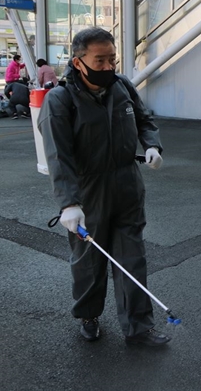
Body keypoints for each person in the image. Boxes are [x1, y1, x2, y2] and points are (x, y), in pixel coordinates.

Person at [38, 27, 170, 346]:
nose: (109, 67)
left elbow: (144, 119)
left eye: (113, 59)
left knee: (132, 258)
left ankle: (139, 326)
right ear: (78, 61)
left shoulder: (121, 86)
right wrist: (69, 203)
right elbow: (59, 156)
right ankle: (88, 315)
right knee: (89, 262)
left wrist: (152, 144)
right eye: (100, 61)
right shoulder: (60, 100)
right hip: (88, 190)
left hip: (126, 184)